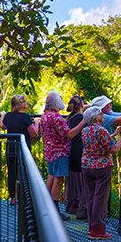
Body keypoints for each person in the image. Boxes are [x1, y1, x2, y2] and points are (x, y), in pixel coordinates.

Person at [80, 106, 121, 240]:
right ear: (96, 116)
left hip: (87, 166)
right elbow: (114, 149)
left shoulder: (85, 130)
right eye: (101, 114)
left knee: (90, 197)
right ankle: (98, 231)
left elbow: (97, 143)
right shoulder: (101, 130)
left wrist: (113, 135)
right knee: (100, 198)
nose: (103, 116)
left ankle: (92, 227)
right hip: (102, 167)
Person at [39, 91, 86, 220]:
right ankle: (54, 210)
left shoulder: (45, 116)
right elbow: (69, 134)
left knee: (51, 176)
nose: (62, 100)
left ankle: (46, 206)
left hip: (49, 151)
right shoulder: (56, 118)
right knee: (58, 180)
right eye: (60, 98)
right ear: (55, 102)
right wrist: (83, 122)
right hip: (60, 152)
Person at [0, 94, 38, 205]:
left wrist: (2, 116)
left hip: (11, 148)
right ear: (21, 104)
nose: (27, 104)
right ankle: (24, 197)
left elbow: (3, 126)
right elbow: (33, 133)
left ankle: (12, 197)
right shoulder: (25, 117)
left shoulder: (9, 116)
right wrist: (36, 122)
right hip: (23, 149)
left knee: (12, 172)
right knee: (24, 173)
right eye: (25, 102)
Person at [65, 95, 88, 219]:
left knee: (72, 178)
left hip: (71, 150)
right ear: (82, 105)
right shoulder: (80, 118)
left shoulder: (70, 117)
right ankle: (78, 206)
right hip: (79, 150)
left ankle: (71, 203)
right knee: (79, 178)